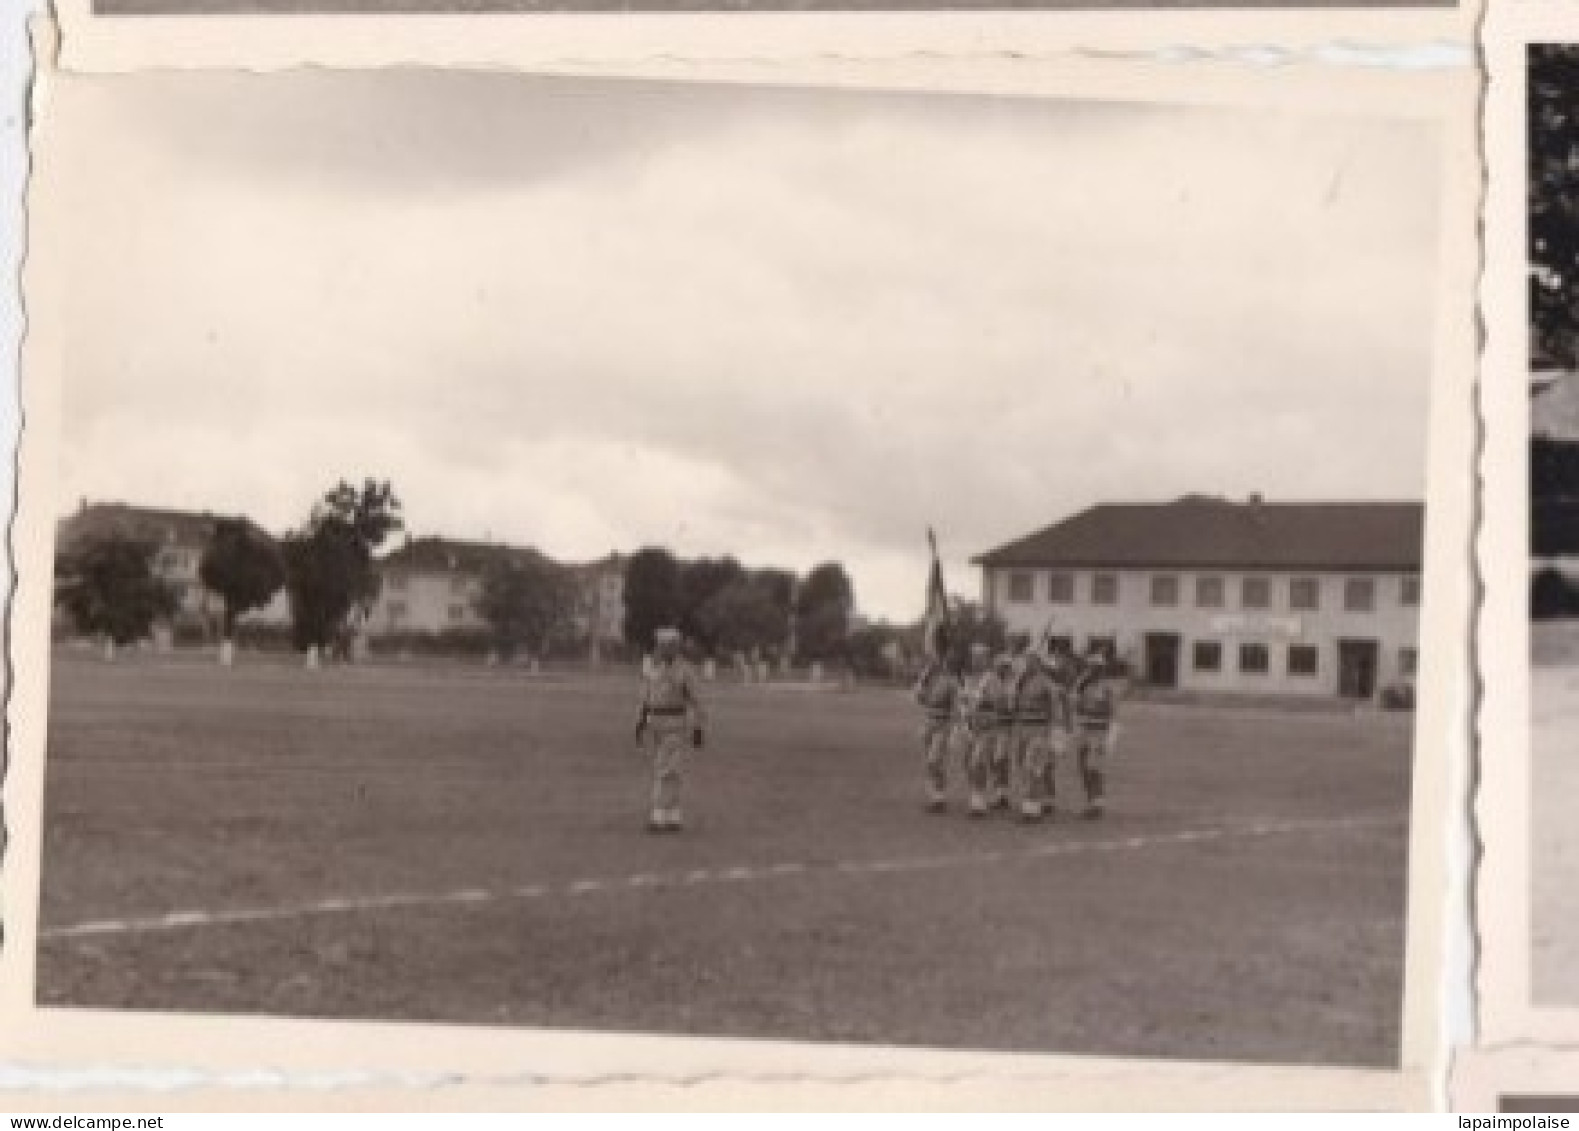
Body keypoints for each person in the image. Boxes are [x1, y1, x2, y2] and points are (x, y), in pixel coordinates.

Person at [635, 627, 707, 833]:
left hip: (675, 723)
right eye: (661, 645)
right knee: (671, 770)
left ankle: (658, 815)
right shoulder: (651, 668)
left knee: (665, 769)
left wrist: (699, 727)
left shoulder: (685, 670)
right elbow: (644, 696)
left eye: (669, 645)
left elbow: (697, 700)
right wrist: (639, 721)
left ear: (676, 647)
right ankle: (674, 814)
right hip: (654, 724)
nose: (664, 649)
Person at [1010, 648, 1065, 822]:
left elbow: (1056, 710)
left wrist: (1055, 735)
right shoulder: (1022, 682)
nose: (1028, 663)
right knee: (1023, 767)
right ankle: (1032, 805)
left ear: (1039, 663)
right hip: (1023, 730)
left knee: (1033, 768)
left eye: (1032, 661)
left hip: (1039, 731)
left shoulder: (1047, 683)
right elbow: (1015, 706)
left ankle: (1033, 810)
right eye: (1027, 660)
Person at [1071, 644, 1121, 819]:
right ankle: (1090, 801)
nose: (1091, 670)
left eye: (1095, 668)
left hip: (1099, 732)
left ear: (1101, 670)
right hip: (1085, 731)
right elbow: (1076, 706)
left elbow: (1114, 714)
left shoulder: (1107, 688)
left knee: (1094, 768)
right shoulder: (1083, 685)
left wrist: (1110, 738)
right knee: (1083, 767)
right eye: (1089, 667)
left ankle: (1097, 803)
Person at [913, 645, 963, 812]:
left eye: (934, 661)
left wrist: (954, 729)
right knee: (929, 762)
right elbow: (920, 700)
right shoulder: (928, 680)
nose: (930, 664)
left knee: (935, 760)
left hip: (942, 725)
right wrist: (921, 683)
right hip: (929, 724)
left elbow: (955, 708)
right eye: (929, 661)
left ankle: (939, 796)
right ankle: (936, 796)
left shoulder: (951, 681)